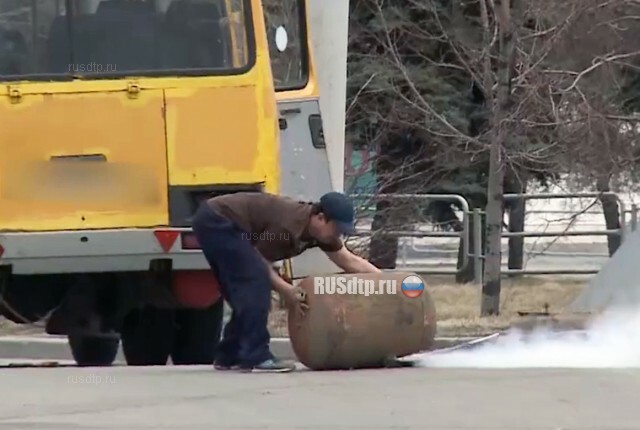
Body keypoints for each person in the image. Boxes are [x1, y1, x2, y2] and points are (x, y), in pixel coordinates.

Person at [191, 191, 381, 373]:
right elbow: (260, 263)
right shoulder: (286, 229)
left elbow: (348, 260)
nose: (337, 235)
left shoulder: (321, 233)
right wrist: (286, 290)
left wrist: (387, 282)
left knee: (244, 292)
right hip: (219, 221)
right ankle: (256, 355)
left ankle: (229, 354)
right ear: (321, 218)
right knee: (255, 283)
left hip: (217, 219)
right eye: (337, 230)